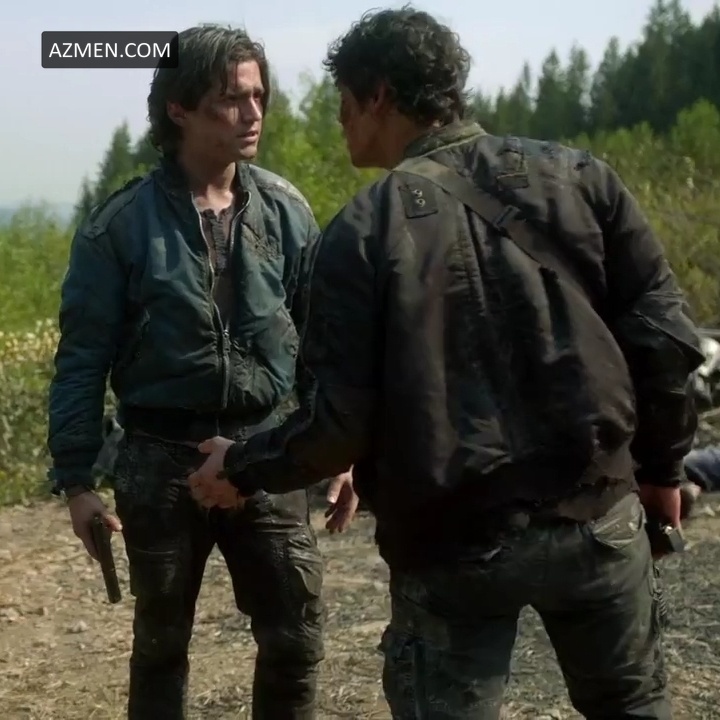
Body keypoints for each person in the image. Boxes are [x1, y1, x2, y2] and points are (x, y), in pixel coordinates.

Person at [186, 8, 705, 720]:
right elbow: (663, 340)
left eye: (344, 100)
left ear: (378, 96)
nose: (338, 119)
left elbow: (338, 427)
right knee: (633, 707)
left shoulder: (363, 230)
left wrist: (241, 465)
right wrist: (662, 469)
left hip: (451, 548)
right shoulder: (582, 177)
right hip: (598, 515)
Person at [47, 24, 358, 720]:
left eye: (259, 96)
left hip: (265, 450)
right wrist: (76, 480)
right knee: (161, 647)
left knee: (295, 639)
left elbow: (321, 342)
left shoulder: (286, 211)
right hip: (160, 458)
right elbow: (81, 358)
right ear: (179, 108)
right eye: (231, 99)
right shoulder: (120, 225)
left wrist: (337, 450)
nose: (253, 113)